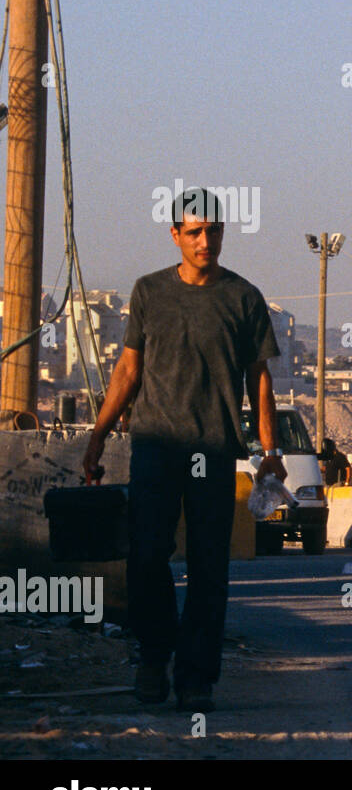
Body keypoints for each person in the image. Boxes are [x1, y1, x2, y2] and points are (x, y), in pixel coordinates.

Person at [81, 187, 285, 713]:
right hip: (154, 446)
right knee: (147, 558)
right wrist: (99, 434)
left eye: (212, 231)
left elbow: (260, 380)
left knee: (209, 569)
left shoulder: (244, 298)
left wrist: (270, 450)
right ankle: (153, 658)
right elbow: (128, 368)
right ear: (175, 236)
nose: (204, 241)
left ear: (222, 234)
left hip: (214, 451)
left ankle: (196, 678)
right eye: (193, 232)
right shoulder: (149, 292)